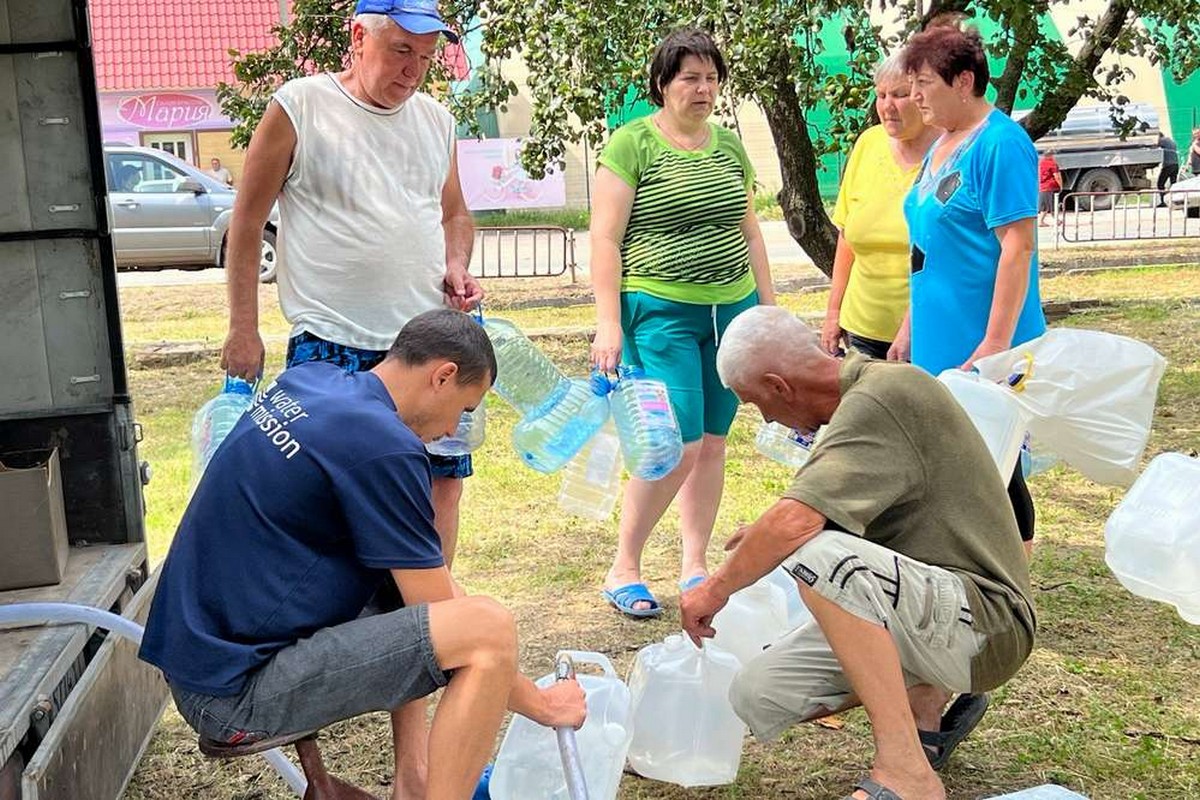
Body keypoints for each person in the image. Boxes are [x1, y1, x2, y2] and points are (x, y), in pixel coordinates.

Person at [140, 310, 586, 800]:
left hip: (199, 660)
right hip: (233, 693)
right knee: (488, 630)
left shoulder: (311, 381)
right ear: (443, 375)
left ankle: (414, 787)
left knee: (445, 608)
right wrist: (543, 706)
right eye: (465, 409)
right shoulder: (383, 446)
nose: (454, 429)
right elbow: (448, 613)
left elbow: (428, 588)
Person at [681, 306, 1035, 800]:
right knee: (758, 692)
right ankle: (923, 698)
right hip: (927, 613)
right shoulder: (859, 404)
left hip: (986, 624)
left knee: (817, 555)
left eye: (757, 402)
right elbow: (809, 518)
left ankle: (906, 769)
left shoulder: (887, 394)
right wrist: (770, 535)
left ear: (779, 385)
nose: (766, 418)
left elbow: (798, 523)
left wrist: (713, 590)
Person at [220, 0, 482, 567]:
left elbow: (455, 214)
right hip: (330, 342)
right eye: (401, 51)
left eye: (426, 57)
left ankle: (425, 623)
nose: (413, 70)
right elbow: (245, 224)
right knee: (328, 492)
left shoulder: (437, 120)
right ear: (358, 37)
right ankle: (341, 626)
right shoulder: (300, 107)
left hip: (424, 348)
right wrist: (243, 327)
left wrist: (457, 262)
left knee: (439, 484)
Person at [588, 27, 775, 618]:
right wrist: (608, 323)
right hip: (659, 312)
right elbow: (605, 238)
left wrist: (767, 312)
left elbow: (749, 231)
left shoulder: (729, 146)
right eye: (690, 77)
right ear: (663, 84)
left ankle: (694, 564)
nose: (703, 88)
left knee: (714, 442)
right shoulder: (632, 143)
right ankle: (625, 568)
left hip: (733, 312)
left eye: (712, 77)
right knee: (678, 443)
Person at [899, 22, 1043, 553]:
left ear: (964, 81)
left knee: (995, 464)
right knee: (951, 458)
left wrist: (995, 343)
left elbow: (1017, 246)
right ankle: (966, 561)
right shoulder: (942, 144)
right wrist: (908, 326)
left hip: (986, 338)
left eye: (924, 84)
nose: (915, 97)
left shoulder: (1001, 143)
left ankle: (1013, 581)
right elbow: (928, 244)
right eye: (911, 84)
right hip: (938, 332)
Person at [821, 52, 939, 361]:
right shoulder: (867, 144)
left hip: (927, 330)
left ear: (922, 96)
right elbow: (847, 237)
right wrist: (834, 312)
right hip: (862, 328)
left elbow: (945, 256)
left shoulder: (948, 153)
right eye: (881, 95)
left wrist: (909, 329)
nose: (887, 106)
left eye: (899, 95)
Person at [1037, 149, 1062, 226]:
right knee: (1053, 205)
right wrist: (1061, 186)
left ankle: (1040, 221)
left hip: (1042, 187)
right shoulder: (1052, 164)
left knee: (1044, 206)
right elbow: (1057, 176)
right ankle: (1057, 221)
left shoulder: (1041, 163)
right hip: (1051, 187)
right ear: (1051, 155)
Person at [1156, 134, 1178, 206]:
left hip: (1168, 165)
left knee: (1160, 184)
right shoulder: (1171, 141)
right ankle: (1174, 201)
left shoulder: (1162, 140)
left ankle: (1163, 201)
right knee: (1173, 184)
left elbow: (1155, 145)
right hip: (1175, 164)